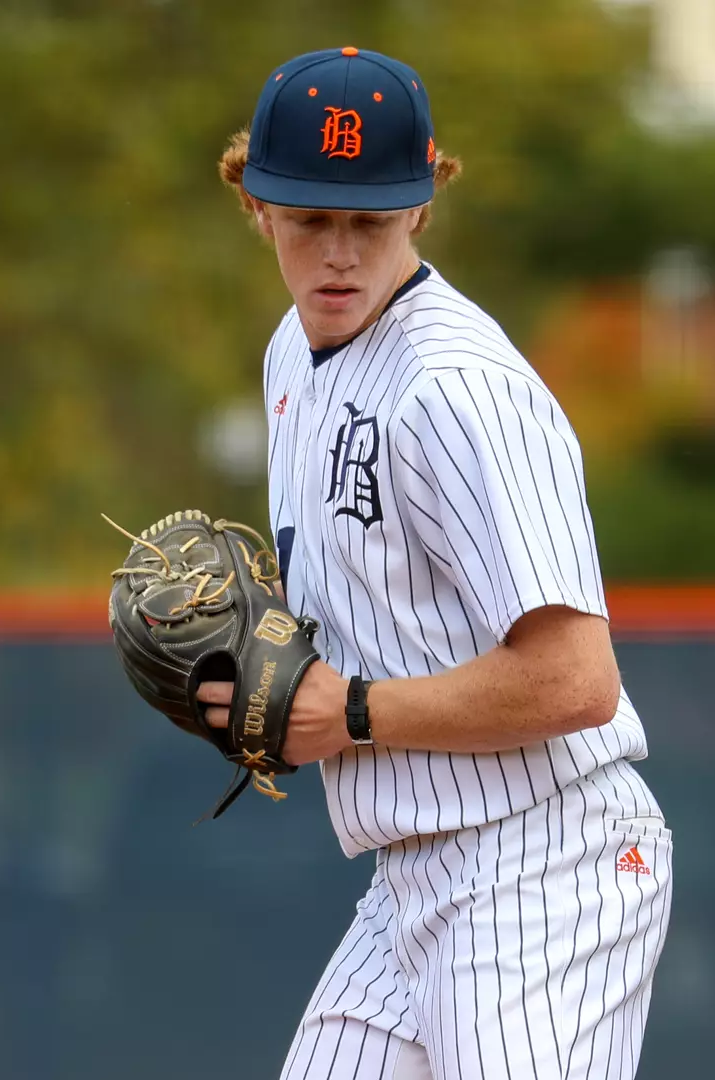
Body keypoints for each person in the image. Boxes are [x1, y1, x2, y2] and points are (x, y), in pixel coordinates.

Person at [196, 46, 672, 1080]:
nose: (337, 252)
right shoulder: (294, 355)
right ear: (256, 206)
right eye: (309, 216)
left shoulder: (454, 386)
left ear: (419, 210)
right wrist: (264, 691)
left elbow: (578, 681)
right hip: (409, 882)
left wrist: (352, 711)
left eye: (367, 220)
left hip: (548, 863)